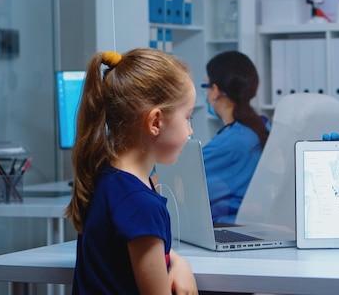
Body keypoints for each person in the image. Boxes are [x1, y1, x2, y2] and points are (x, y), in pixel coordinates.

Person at [65, 48, 198, 294]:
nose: (190, 131)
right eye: (188, 117)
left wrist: (179, 263)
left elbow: (138, 250)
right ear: (156, 122)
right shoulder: (139, 203)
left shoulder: (109, 179)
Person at [201, 50, 269, 224]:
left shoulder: (229, 143)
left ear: (215, 91)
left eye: (206, 86)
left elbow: (166, 183)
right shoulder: (263, 126)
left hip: (228, 228)